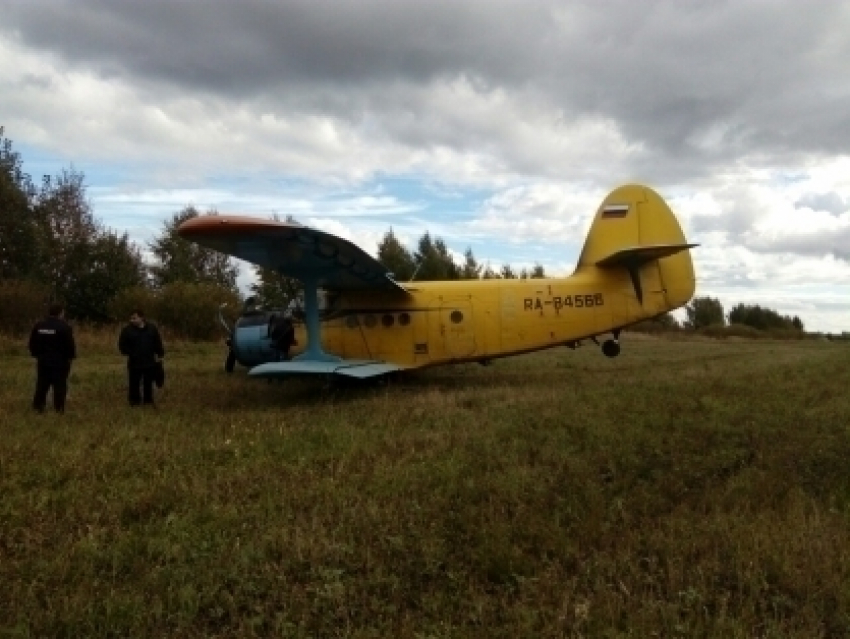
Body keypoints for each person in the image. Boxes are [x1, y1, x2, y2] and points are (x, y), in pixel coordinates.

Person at [28, 302, 76, 413]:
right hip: (60, 362)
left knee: (42, 384)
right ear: (61, 313)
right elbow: (69, 345)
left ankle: (38, 406)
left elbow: (32, 343)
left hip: (43, 360)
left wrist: (37, 355)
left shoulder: (39, 326)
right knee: (59, 385)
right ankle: (59, 408)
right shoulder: (64, 327)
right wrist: (70, 357)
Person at [118, 309, 165, 407]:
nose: (132, 320)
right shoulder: (127, 330)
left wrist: (160, 354)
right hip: (134, 362)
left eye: (134, 318)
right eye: (131, 318)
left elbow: (157, 342)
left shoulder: (152, 329)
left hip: (149, 361)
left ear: (142, 318)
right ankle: (134, 402)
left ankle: (148, 400)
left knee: (148, 383)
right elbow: (122, 345)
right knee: (134, 383)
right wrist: (131, 353)